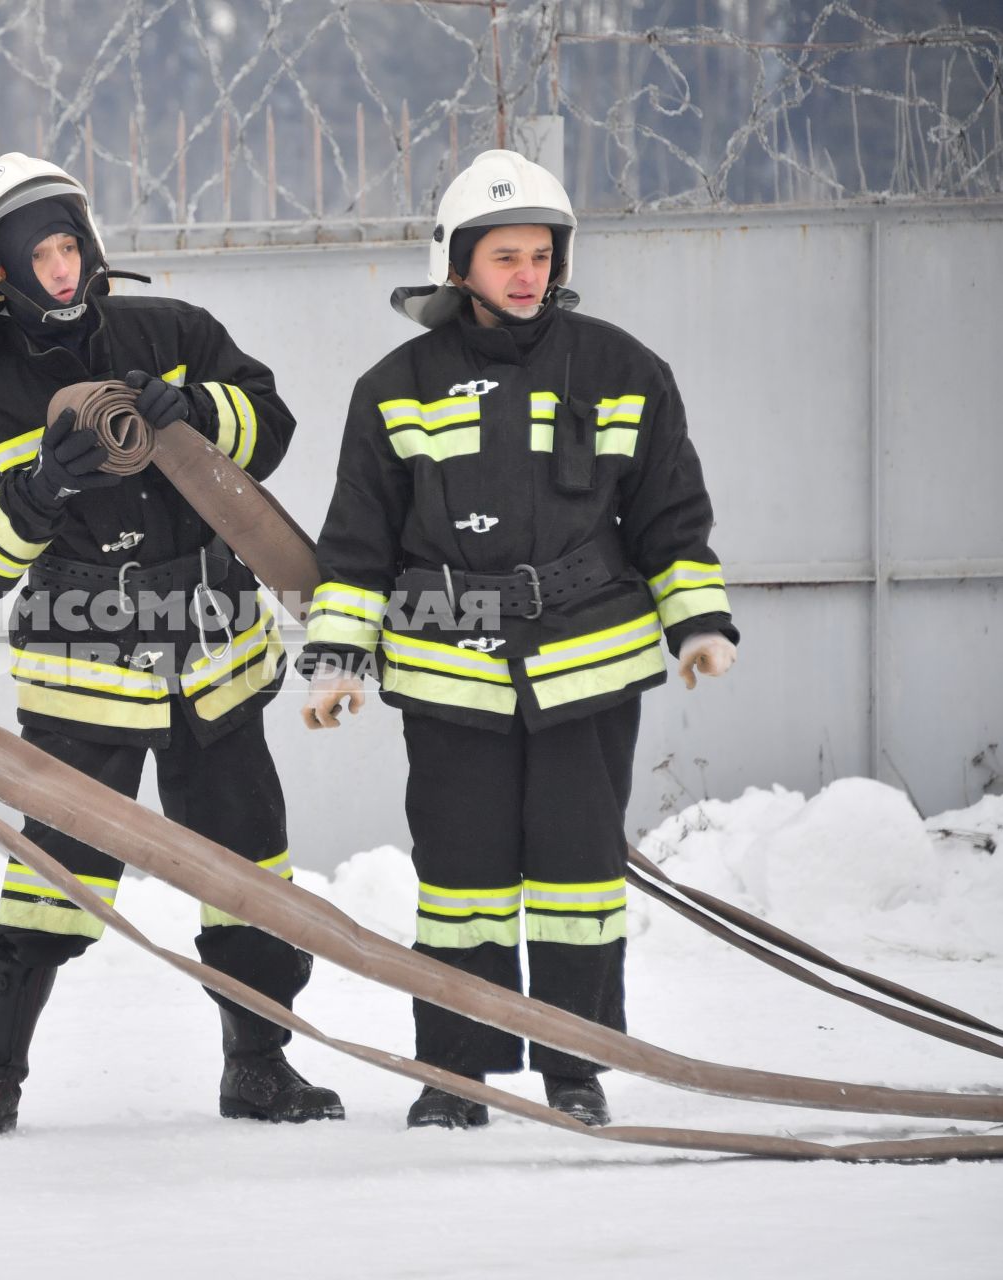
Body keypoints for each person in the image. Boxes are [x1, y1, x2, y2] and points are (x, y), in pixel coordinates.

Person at [299, 150, 737, 1130]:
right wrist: (336, 659)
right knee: (461, 882)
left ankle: (575, 1063)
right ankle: (455, 1071)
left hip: (591, 664)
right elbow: (358, 543)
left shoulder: (624, 369)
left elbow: (670, 515)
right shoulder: (395, 386)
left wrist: (698, 621)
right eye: (505, 255)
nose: (527, 273)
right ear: (458, 263)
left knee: (580, 876)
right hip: (448, 669)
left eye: (540, 254)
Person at [0, 154, 343, 1135]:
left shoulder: (173, 335)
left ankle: (259, 1065)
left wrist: (198, 412)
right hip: (85, 687)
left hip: (217, 667)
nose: (61, 271)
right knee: (52, 879)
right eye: (38, 257)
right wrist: (35, 490)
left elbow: (269, 423)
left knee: (248, 869)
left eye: (70, 246)